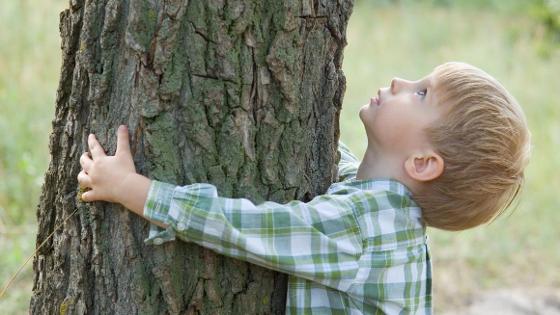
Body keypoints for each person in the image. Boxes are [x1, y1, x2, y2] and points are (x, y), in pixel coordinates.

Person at [77, 61, 531, 314]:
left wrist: (133, 189)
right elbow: (347, 167)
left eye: (421, 94)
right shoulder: (383, 208)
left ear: (424, 163)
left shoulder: (366, 227)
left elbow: (244, 227)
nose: (399, 81)